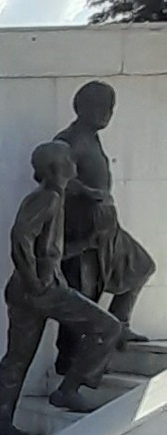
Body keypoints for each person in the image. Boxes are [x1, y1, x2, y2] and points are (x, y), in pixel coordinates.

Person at [0, 142, 123, 435]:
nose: (75, 164)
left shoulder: (53, 198)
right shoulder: (46, 198)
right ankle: (69, 389)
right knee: (108, 326)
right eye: (70, 160)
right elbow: (20, 237)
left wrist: (86, 244)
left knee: (18, 357)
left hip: (27, 289)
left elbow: (47, 250)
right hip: (41, 290)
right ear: (57, 168)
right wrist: (35, 281)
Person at [55, 81, 156, 363]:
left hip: (106, 227)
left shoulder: (91, 138)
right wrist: (89, 194)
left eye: (110, 109)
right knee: (83, 292)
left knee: (140, 266)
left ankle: (120, 324)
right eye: (102, 108)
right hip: (84, 231)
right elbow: (54, 176)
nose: (107, 115)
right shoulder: (69, 140)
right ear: (84, 108)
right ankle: (69, 359)